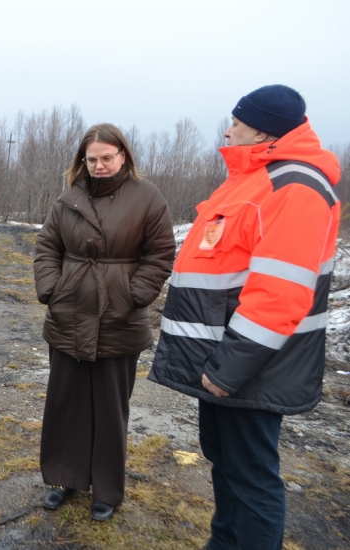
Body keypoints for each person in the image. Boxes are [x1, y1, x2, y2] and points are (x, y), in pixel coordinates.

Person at [148, 85, 342, 550]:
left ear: (261, 128)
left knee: (252, 476)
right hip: (223, 362)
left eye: (236, 121)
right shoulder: (253, 180)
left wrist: (228, 370)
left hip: (250, 368)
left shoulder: (294, 186)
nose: (228, 128)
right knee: (226, 463)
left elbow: (280, 293)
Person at [33, 123, 175, 520]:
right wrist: (51, 288)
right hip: (69, 313)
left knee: (110, 409)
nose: (98, 165)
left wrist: (134, 296)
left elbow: (161, 253)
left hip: (119, 317)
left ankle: (107, 491)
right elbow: (48, 246)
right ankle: (65, 479)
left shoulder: (148, 198)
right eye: (91, 159)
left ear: (123, 156)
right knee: (66, 403)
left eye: (106, 158)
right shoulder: (68, 199)